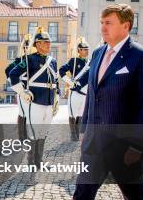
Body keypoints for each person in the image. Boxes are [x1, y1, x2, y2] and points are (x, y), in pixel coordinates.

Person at [42, 4, 143, 200]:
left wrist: (136, 146)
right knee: (82, 195)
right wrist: (84, 132)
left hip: (124, 146)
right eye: (102, 22)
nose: (102, 27)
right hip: (94, 144)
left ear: (125, 26)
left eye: (108, 22)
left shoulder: (141, 58)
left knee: (136, 197)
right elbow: (93, 97)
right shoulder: (96, 53)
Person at [9, 27, 59, 167]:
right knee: (34, 132)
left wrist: (56, 98)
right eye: (45, 42)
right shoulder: (29, 59)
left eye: (49, 42)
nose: (49, 44)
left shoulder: (53, 61)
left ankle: (39, 161)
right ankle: (31, 161)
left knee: (43, 133)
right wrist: (22, 92)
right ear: (37, 44)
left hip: (49, 101)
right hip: (36, 100)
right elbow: (13, 74)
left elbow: (55, 81)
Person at [59, 38, 90, 141]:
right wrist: (70, 82)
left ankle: (78, 133)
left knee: (81, 114)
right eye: (84, 49)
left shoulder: (90, 63)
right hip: (76, 92)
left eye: (87, 49)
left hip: (85, 93)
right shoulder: (74, 60)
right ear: (79, 50)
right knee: (72, 113)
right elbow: (62, 70)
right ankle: (73, 134)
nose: (86, 51)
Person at [5, 35, 31, 140]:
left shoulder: (35, 59)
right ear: (23, 48)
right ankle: (21, 136)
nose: (27, 49)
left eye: (29, 47)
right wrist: (17, 85)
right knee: (23, 113)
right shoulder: (19, 61)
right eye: (25, 47)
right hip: (23, 90)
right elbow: (8, 71)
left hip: (34, 91)